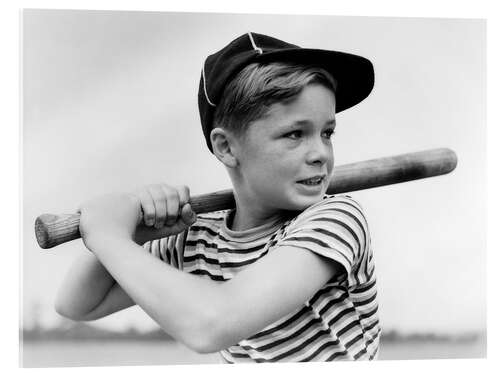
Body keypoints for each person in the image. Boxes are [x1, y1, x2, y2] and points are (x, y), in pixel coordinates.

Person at [55, 32, 379, 362]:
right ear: (226, 147)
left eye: (327, 133)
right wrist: (129, 234)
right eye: (295, 134)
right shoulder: (197, 237)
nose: (320, 153)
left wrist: (110, 238)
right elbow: (77, 304)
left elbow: (211, 324)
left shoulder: (335, 218)